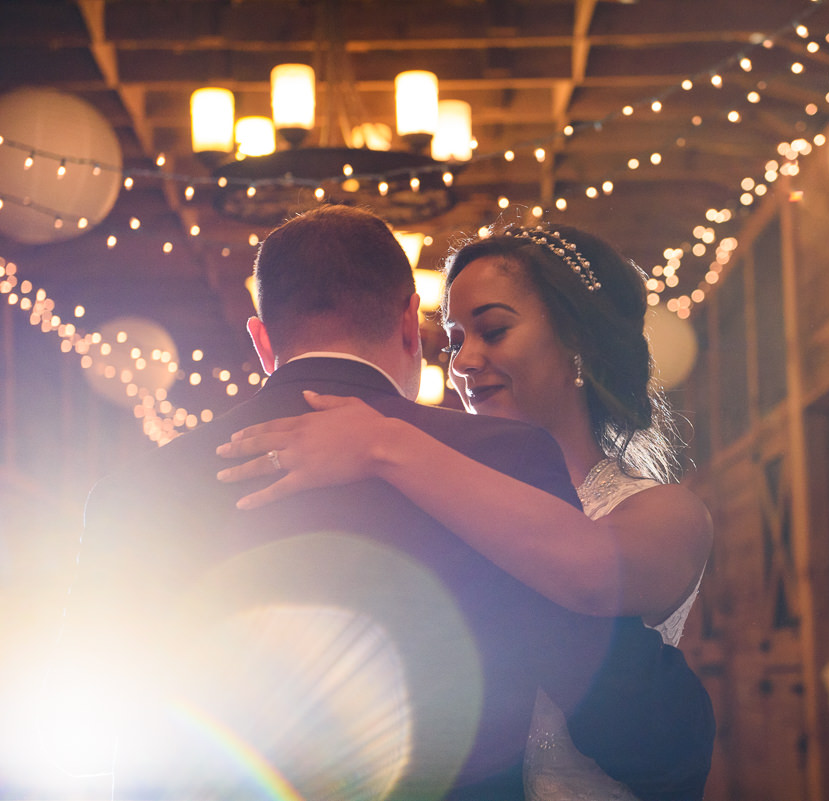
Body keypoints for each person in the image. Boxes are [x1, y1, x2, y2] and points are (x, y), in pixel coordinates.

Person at [60, 206, 713, 801]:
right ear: (411, 321)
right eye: (453, 337)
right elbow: (636, 721)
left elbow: (101, 717)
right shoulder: (501, 458)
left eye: (490, 329)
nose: (462, 361)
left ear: (262, 339)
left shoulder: (127, 497)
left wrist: (385, 442)